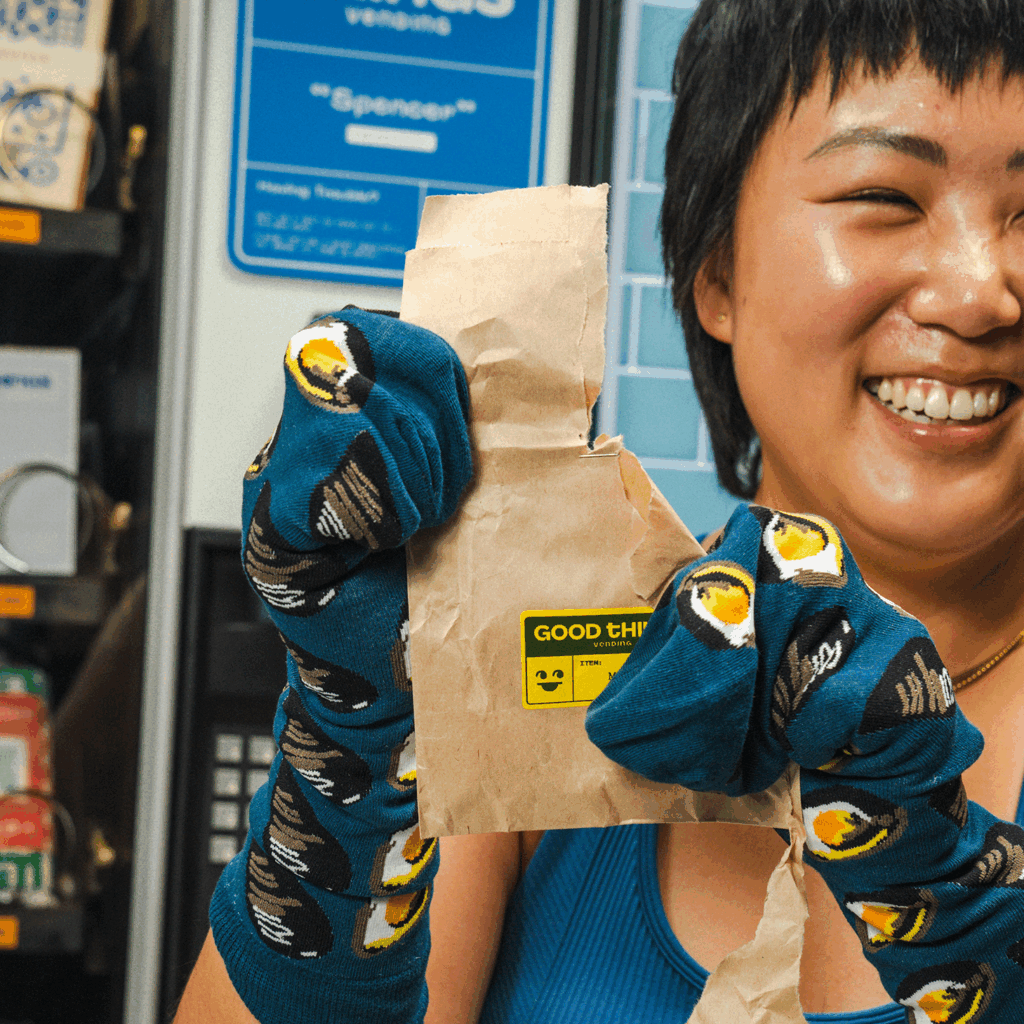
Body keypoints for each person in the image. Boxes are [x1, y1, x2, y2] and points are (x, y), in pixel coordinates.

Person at [174, 0, 1024, 1020]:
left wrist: (956, 911)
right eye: (886, 195)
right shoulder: (535, 662)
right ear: (717, 271)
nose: (979, 294)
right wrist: (348, 749)